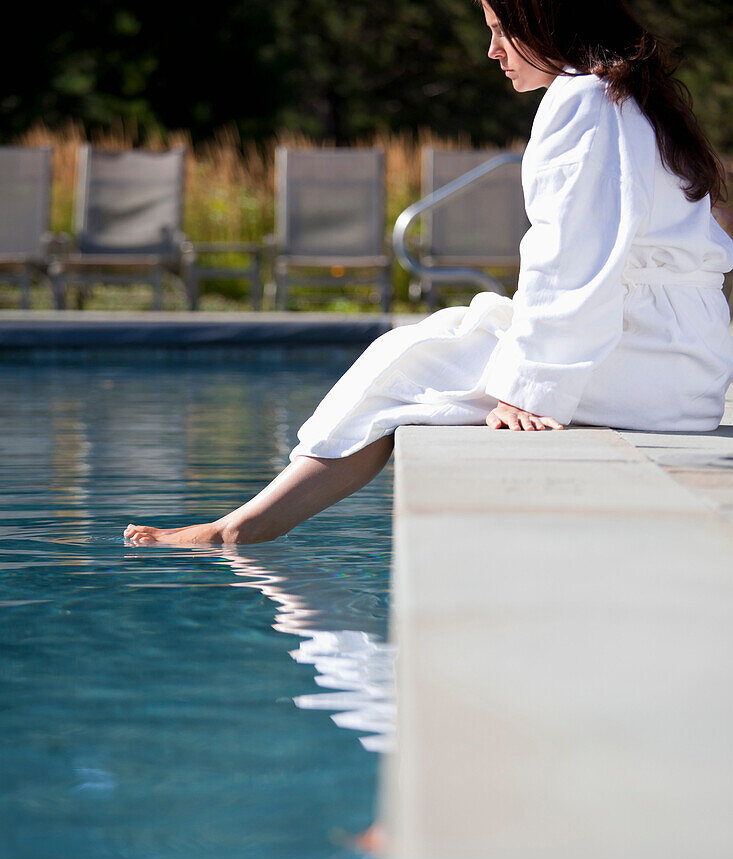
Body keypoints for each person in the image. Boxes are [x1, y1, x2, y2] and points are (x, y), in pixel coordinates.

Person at [124, 0, 733, 547]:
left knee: (410, 362)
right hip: (685, 367)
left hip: (644, 360)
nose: (491, 51)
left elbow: (575, 252)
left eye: (501, 31)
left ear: (544, 23)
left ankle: (236, 529)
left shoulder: (582, 98)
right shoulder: (633, 99)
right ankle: (242, 522)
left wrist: (529, 388)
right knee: (442, 338)